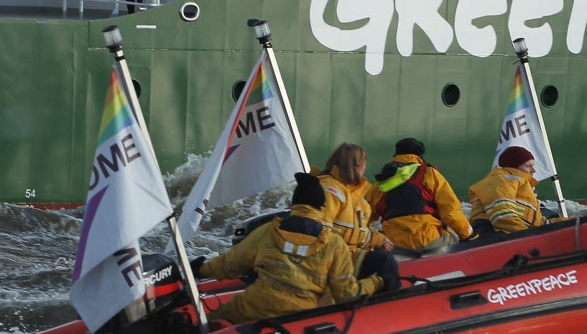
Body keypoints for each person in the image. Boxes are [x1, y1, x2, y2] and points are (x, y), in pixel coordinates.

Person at [194, 173, 396, 324]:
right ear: (322, 207)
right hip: (301, 316)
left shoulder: (267, 231)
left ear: (294, 204)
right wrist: (377, 281)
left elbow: (229, 264)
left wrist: (200, 268)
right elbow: (347, 294)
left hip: (254, 307)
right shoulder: (334, 244)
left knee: (208, 321)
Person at [369, 137, 472, 254]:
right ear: (419, 155)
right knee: (455, 241)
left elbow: (364, 216)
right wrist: (468, 235)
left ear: (396, 154)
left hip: (395, 246)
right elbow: (451, 211)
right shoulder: (429, 174)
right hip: (429, 240)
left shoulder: (380, 183)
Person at [319, 142, 391, 259]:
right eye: (363, 162)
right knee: (384, 263)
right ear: (355, 165)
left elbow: (359, 231)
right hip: (333, 258)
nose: (365, 167)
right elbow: (321, 232)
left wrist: (381, 240)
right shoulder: (330, 191)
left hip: (346, 255)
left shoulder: (353, 195)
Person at [468, 145, 547, 235]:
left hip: (510, 229)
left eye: (532, 165)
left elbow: (536, 221)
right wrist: (526, 235)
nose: (533, 170)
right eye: (528, 166)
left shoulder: (519, 183)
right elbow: (503, 215)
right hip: (489, 230)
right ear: (513, 166)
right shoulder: (502, 181)